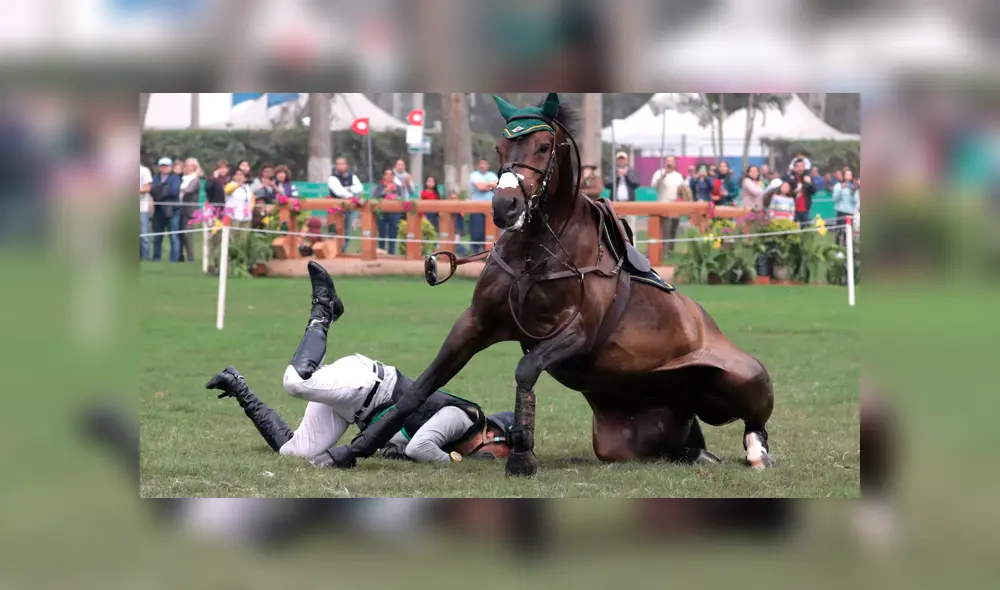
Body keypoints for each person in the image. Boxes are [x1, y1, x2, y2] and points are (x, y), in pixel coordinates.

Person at [205, 261, 515, 465]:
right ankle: (324, 310)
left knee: (294, 452)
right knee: (295, 383)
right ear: (494, 434)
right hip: (368, 385)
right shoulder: (469, 418)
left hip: (352, 408)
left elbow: (402, 444)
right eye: (505, 453)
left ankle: (238, 386)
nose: (501, 459)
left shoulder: (454, 440)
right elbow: (420, 446)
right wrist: (452, 463)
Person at [328, 156, 365, 253]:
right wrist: (350, 191)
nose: (340, 166)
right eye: (338, 164)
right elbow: (338, 192)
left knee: (347, 230)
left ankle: (344, 251)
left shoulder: (352, 177)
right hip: (335, 209)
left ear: (346, 165)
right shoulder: (332, 178)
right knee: (334, 230)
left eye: (342, 163)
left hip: (348, 209)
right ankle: (333, 251)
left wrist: (347, 189)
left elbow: (360, 188)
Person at [650, 156, 685, 253]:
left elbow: (682, 190)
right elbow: (653, 185)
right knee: (665, 230)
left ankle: (671, 250)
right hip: (663, 205)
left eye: (672, 161)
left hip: (675, 206)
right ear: (665, 162)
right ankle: (663, 251)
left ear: (675, 163)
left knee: (673, 229)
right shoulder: (659, 173)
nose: (670, 163)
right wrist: (663, 176)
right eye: (668, 161)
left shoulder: (678, 176)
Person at [150, 156, 181, 262]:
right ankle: (156, 258)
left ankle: (174, 259)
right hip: (159, 211)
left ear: (170, 167)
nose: (164, 168)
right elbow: (152, 190)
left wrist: (160, 190)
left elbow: (173, 191)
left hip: (172, 210)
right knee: (157, 237)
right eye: (162, 166)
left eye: (166, 166)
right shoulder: (155, 178)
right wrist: (163, 189)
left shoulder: (175, 178)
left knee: (173, 236)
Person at [468, 158, 498, 249]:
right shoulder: (474, 175)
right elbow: (480, 187)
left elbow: (497, 185)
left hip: (490, 208)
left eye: (485, 164)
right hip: (477, 208)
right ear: (478, 165)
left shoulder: (492, 175)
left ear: (488, 166)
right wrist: (490, 185)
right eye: (481, 164)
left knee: (490, 231)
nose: (483, 166)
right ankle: (476, 252)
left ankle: (489, 251)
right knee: (476, 231)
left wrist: (485, 185)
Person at [605, 151, 639, 232]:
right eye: (619, 159)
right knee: (617, 229)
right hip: (616, 204)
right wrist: (617, 176)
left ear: (626, 160)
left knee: (631, 228)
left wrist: (626, 175)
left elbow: (636, 184)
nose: (621, 161)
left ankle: (632, 244)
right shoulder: (612, 171)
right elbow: (607, 185)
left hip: (629, 203)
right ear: (617, 161)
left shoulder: (631, 171)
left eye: (623, 159)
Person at [178, 157, 203, 262]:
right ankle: (181, 256)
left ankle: (190, 257)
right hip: (181, 209)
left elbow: (189, 190)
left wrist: (178, 189)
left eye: (191, 166)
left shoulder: (195, 179)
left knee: (187, 234)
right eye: (187, 166)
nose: (188, 168)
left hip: (190, 210)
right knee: (180, 234)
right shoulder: (183, 178)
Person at [372, 168, 401, 254]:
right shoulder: (380, 186)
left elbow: (401, 199)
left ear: (393, 176)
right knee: (382, 233)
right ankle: (381, 252)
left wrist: (395, 196)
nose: (388, 176)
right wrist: (384, 192)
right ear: (384, 176)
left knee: (393, 234)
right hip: (382, 213)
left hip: (394, 213)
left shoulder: (398, 187)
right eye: (386, 174)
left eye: (390, 174)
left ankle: (391, 253)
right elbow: (374, 197)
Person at [783, 158, 816, 225]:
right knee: (793, 230)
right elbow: (784, 192)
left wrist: (810, 183)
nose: (800, 168)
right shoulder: (789, 178)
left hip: (805, 209)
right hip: (792, 209)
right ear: (794, 168)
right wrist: (794, 192)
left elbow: (814, 191)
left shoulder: (808, 177)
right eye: (798, 166)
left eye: (802, 166)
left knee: (806, 230)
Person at [832, 169, 860, 246]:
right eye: (846, 174)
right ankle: (837, 248)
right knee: (839, 230)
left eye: (850, 175)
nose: (848, 176)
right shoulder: (838, 185)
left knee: (848, 231)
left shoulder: (854, 187)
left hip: (850, 212)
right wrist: (841, 189)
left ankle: (846, 248)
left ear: (852, 177)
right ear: (843, 176)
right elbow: (835, 199)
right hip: (841, 211)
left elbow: (855, 201)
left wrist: (853, 192)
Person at [140, 163, 153, 260]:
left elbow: (147, 187)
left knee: (144, 236)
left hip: (141, 208)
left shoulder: (144, 170)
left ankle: (145, 258)